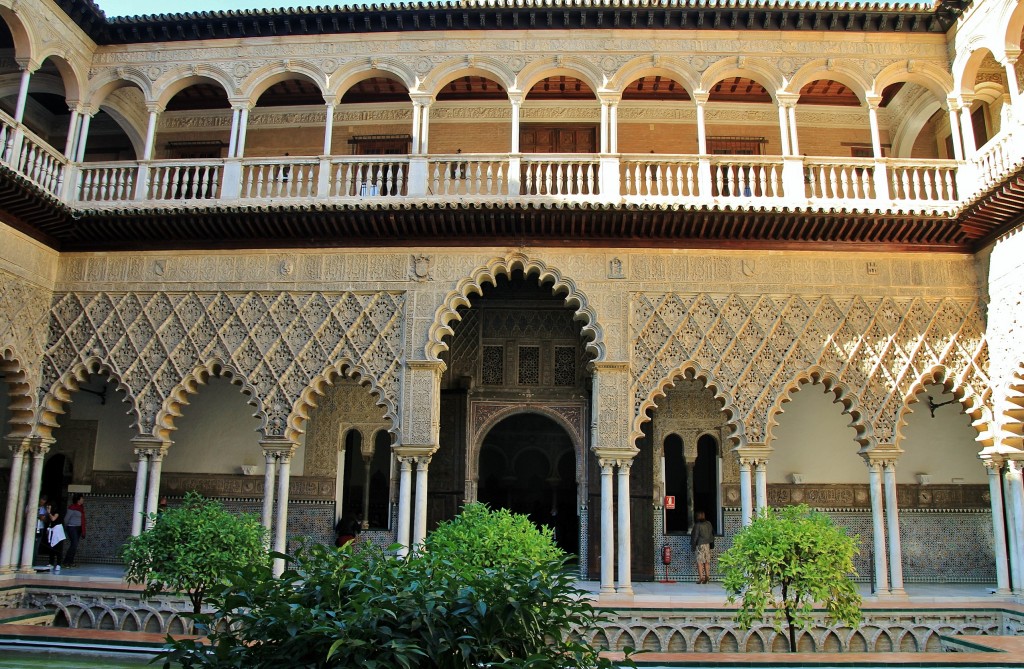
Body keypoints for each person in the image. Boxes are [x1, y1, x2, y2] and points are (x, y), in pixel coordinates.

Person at [691, 510, 714, 584]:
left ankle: (701, 577)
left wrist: (693, 545)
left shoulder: (697, 525)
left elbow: (695, 536)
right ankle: (707, 576)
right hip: (707, 544)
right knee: (707, 561)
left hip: (700, 545)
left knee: (699, 561)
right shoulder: (708, 523)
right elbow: (712, 533)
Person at [63, 494, 86, 568]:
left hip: (78, 528)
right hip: (72, 527)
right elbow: (66, 519)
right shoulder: (72, 508)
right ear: (78, 500)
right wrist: (66, 527)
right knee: (74, 544)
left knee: (75, 545)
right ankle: (66, 561)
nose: (83, 500)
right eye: (82, 498)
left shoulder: (81, 508)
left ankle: (70, 561)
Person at [45, 503, 66, 574]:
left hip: (58, 532)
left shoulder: (57, 512)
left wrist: (49, 512)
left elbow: (53, 519)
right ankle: (51, 563)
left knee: (58, 549)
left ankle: (58, 564)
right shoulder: (49, 513)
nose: (48, 507)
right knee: (51, 548)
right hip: (52, 531)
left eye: (49, 506)